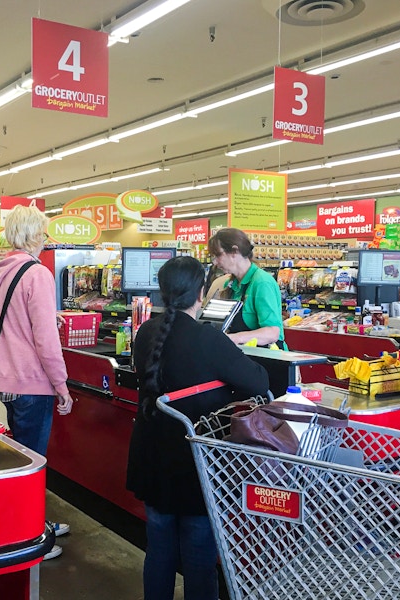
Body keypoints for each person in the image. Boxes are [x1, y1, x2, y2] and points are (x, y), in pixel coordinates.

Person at [126, 256, 270, 600]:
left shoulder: (146, 332)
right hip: (195, 463)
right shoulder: (208, 338)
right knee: (199, 555)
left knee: (159, 548)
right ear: (201, 293)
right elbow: (258, 382)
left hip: (151, 458)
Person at [0, 204, 74, 560]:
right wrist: (62, 386)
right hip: (33, 382)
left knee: (20, 456)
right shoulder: (37, 274)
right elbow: (44, 343)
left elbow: (3, 325)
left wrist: (50, 318)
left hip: (6, 378)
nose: (46, 239)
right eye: (45, 233)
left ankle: (33, 522)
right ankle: (28, 537)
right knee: (32, 464)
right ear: (34, 235)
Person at [206, 228, 285, 347]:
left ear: (234, 251)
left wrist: (235, 338)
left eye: (218, 255)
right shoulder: (229, 283)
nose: (215, 262)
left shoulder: (262, 282)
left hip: (267, 358)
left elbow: (272, 332)